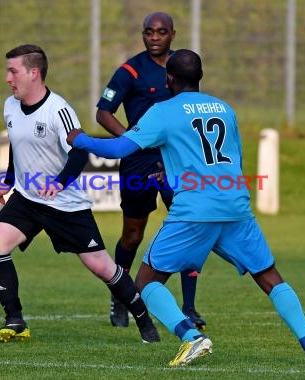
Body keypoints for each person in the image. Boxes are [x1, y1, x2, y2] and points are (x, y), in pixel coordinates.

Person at [67, 49, 305, 367]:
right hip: (235, 204)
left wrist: (81, 139)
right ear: (200, 77)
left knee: (146, 283)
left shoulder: (162, 111)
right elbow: (229, 157)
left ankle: (192, 338)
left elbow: (120, 148)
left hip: (195, 209)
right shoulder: (225, 109)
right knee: (269, 277)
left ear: (169, 79)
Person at [0, 44, 160, 344]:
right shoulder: (10, 106)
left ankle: (145, 322)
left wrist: (59, 182)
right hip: (27, 198)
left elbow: (79, 152)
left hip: (64, 205)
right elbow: (17, 144)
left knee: (102, 267)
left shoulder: (59, 110)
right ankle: (15, 320)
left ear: (33, 73)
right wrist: (9, 179)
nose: (8, 78)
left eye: (13, 71)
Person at [96, 11, 206, 330]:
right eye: (148, 32)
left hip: (176, 159)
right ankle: (120, 298)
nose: (154, 37)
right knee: (132, 235)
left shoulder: (181, 69)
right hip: (139, 163)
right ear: (143, 35)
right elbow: (103, 112)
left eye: (161, 32)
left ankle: (189, 306)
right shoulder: (130, 70)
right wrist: (130, 141)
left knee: (188, 227)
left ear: (173, 34)